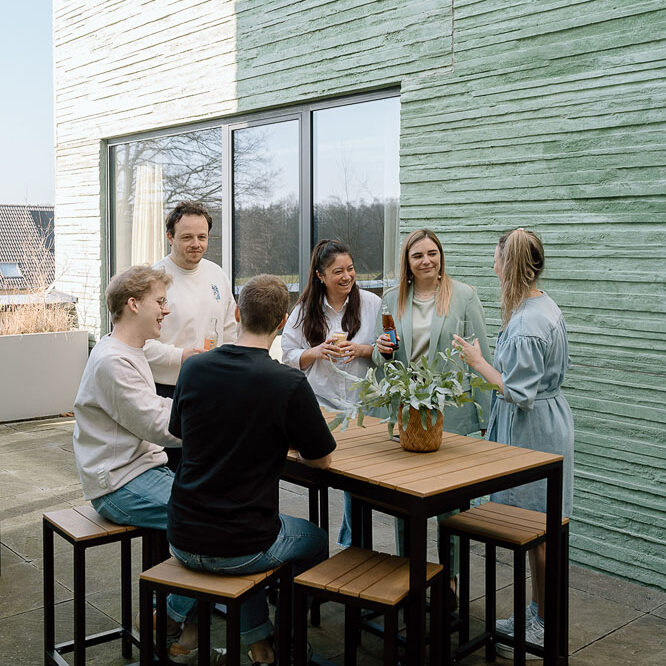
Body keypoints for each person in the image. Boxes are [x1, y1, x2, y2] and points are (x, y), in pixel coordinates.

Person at [167, 274, 337, 666]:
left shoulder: (194, 370)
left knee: (255, 529)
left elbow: (179, 431)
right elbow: (322, 459)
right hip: (243, 545)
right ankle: (283, 644)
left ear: (238, 313)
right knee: (311, 540)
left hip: (181, 533)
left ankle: (192, 617)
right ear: (282, 322)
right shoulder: (288, 383)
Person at [72, 265, 212, 664]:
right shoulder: (113, 361)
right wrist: (221, 421)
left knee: (213, 505)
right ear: (133, 304)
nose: (166, 311)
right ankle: (166, 618)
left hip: (140, 471)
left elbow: (158, 411)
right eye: (161, 302)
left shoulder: (128, 350)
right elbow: (158, 424)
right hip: (118, 484)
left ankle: (187, 618)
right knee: (210, 517)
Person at [453, 228, 574, 658]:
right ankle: (539, 612)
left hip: (532, 432)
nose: (492, 266)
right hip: (545, 421)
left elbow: (517, 393)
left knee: (537, 530)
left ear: (512, 264)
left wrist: (477, 360)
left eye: (497, 258)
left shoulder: (525, 324)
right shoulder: (540, 306)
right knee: (538, 526)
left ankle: (543, 623)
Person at [373, 228, 493, 607]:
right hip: (408, 413)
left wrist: (487, 418)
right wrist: (381, 351)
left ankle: (451, 580)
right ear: (407, 263)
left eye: (432, 253)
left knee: (452, 506)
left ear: (441, 256)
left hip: (451, 414)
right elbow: (383, 361)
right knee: (407, 502)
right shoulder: (391, 299)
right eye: (417, 255)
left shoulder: (463, 296)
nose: (426, 261)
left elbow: (481, 357)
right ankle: (412, 574)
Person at [281, 239, 381, 547]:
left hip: (363, 407)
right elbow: (287, 355)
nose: (347, 277)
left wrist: (363, 349)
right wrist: (315, 352)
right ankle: (328, 545)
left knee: (360, 484)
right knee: (326, 479)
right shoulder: (305, 309)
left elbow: (388, 348)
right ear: (320, 275)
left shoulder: (371, 304)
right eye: (338, 271)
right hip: (322, 407)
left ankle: (354, 547)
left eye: (350, 269)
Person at [144, 201, 237, 471]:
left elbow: (230, 330)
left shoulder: (216, 274)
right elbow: (139, 344)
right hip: (167, 393)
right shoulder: (153, 279)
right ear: (170, 237)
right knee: (172, 471)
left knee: (207, 468)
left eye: (202, 237)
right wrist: (181, 356)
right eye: (187, 237)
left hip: (210, 389)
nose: (196, 243)